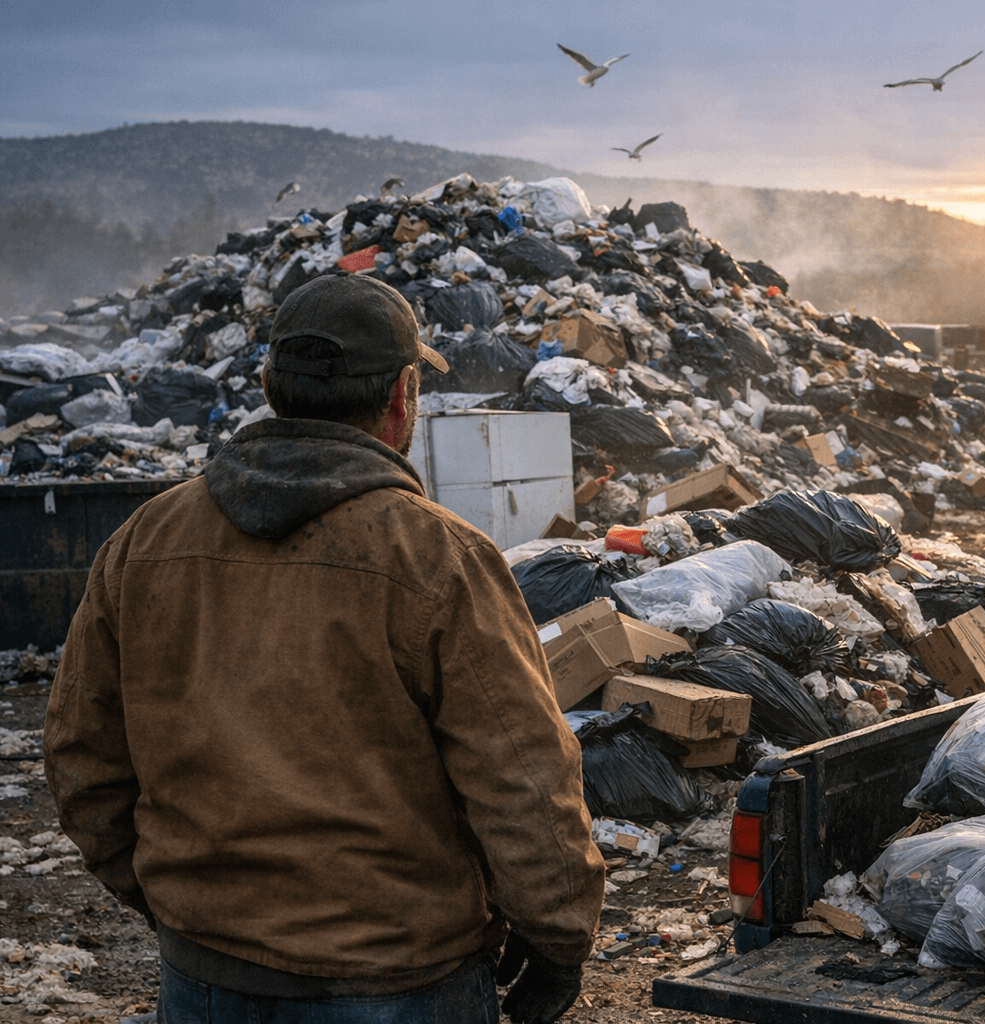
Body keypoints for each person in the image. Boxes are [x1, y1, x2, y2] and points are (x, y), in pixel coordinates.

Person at [44, 272, 605, 1024]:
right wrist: (558, 935)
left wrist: (171, 901)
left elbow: (81, 754)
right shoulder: (439, 559)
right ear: (404, 396)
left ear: (271, 384)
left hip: (203, 974)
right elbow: (521, 774)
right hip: (397, 980)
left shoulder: (145, 540)